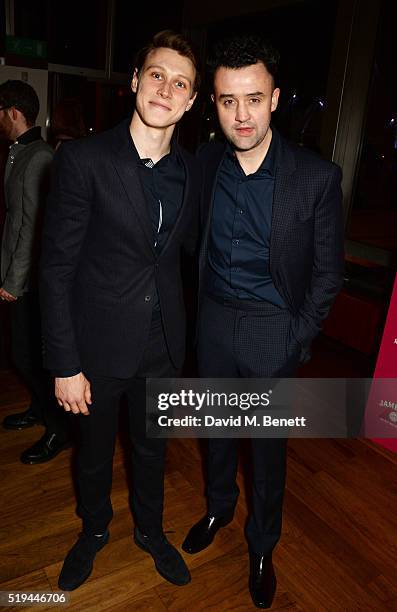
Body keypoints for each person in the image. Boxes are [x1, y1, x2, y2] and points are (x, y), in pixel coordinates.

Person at [182, 34, 344, 609]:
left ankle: (262, 545)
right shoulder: (204, 163)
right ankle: (219, 508)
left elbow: (328, 274)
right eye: (228, 101)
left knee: (267, 450)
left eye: (253, 99)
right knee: (217, 431)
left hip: (273, 327)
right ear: (215, 104)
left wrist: (295, 338)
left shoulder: (315, 178)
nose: (241, 115)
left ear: (275, 98)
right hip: (214, 322)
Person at [40, 30, 200, 591]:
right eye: (156, 74)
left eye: (180, 82)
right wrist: (64, 363)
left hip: (162, 348)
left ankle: (151, 531)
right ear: (135, 81)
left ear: (190, 101)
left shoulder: (193, 173)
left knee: (153, 453)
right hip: (97, 350)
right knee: (92, 457)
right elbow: (56, 269)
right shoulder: (83, 160)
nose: (166, 88)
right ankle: (95, 531)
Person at [0, 79, 71, 464]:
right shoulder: (17, 152)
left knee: (29, 357)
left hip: (30, 281)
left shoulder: (40, 155)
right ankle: (39, 410)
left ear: (13, 111)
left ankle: (59, 430)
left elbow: (33, 227)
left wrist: (14, 281)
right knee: (23, 354)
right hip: (17, 274)